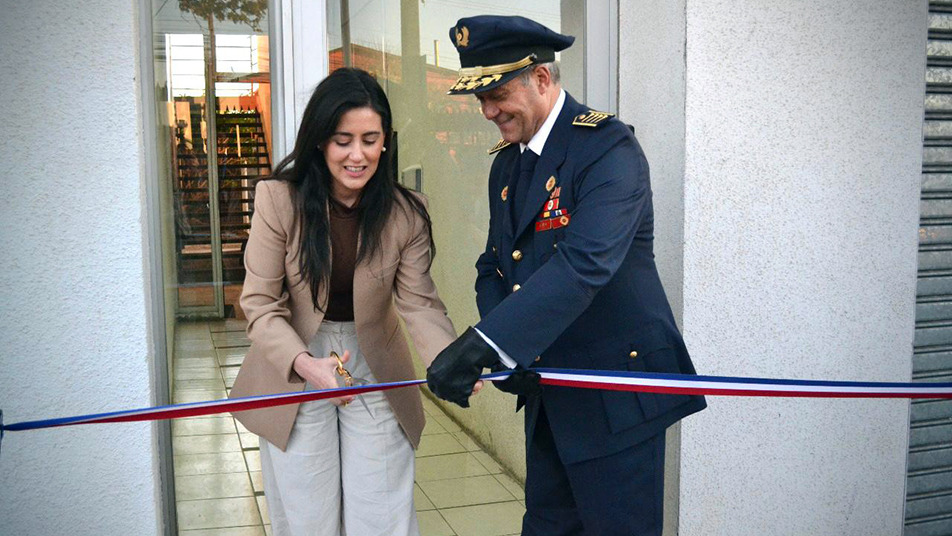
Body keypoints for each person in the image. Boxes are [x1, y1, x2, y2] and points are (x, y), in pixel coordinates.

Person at [426, 15, 707, 536]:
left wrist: (484, 344)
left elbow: (584, 265)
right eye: (479, 98)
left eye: (498, 93)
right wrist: (510, 353)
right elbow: (495, 265)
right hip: (550, 394)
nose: (488, 111)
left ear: (541, 78)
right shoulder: (507, 164)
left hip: (615, 398)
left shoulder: (607, 147)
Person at [229, 67, 468, 536]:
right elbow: (259, 302)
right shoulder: (278, 200)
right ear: (320, 141)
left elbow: (420, 303)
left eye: (370, 139)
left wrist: (451, 359)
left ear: (385, 142)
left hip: (373, 356)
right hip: (296, 357)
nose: (357, 154)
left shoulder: (407, 212)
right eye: (343, 140)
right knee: (308, 515)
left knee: (381, 513)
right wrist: (305, 363)